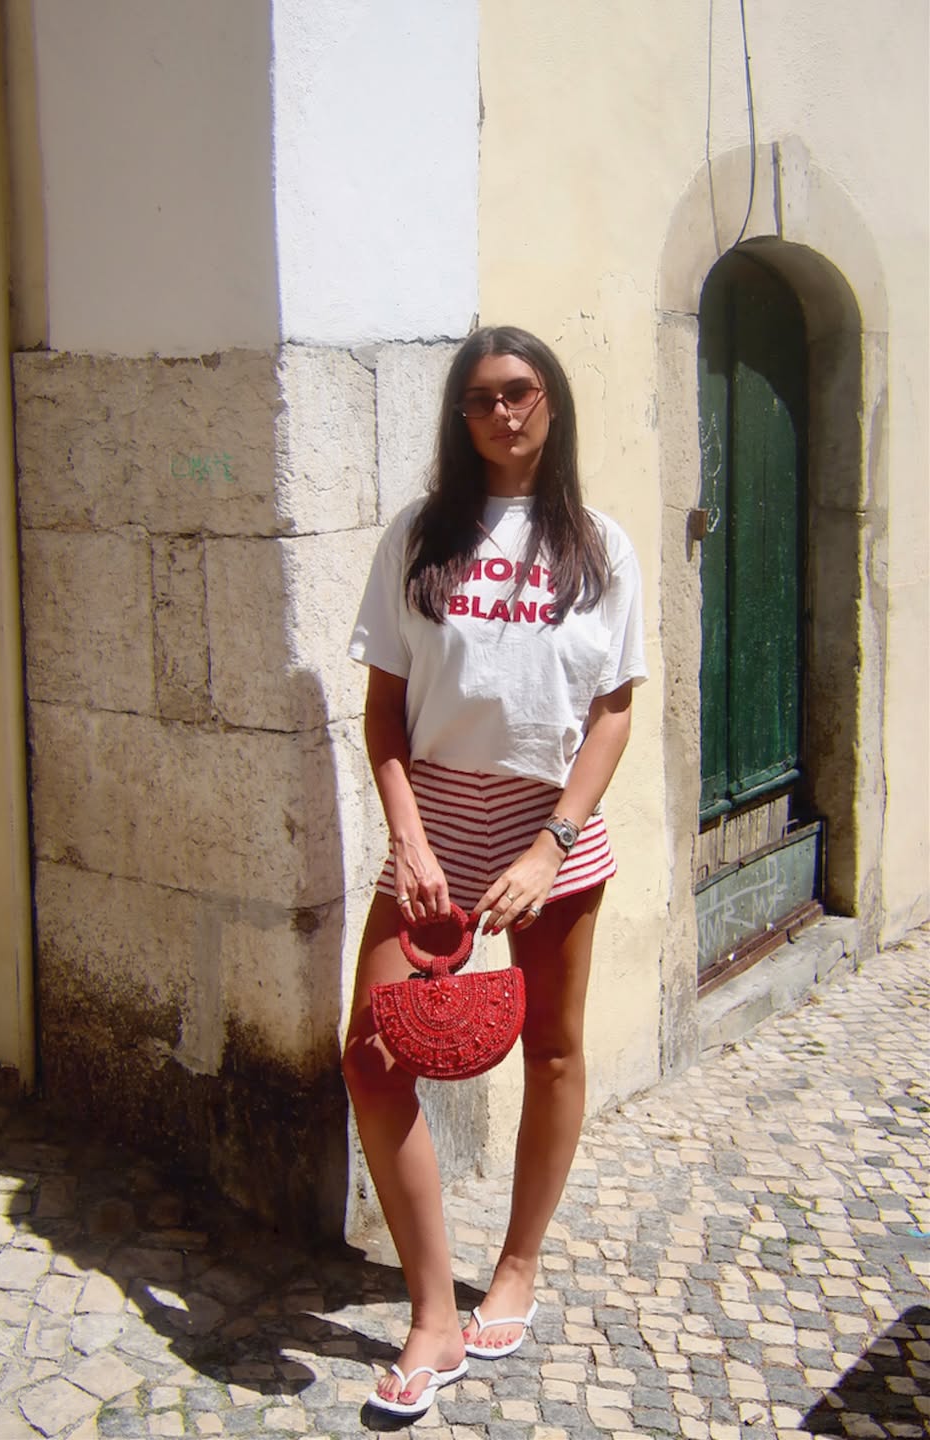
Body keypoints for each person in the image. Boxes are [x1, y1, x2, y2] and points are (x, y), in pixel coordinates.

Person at [343, 325, 647, 1417]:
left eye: (520, 392)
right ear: (459, 417)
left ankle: (515, 1266)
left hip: (549, 827)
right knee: (373, 1057)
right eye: (479, 398)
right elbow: (384, 710)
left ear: (551, 401)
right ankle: (434, 1315)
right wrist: (410, 838)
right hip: (433, 822)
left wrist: (551, 842)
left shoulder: (599, 547)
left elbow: (614, 710)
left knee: (552, 1050)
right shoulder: (421, 535)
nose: (502, 413)